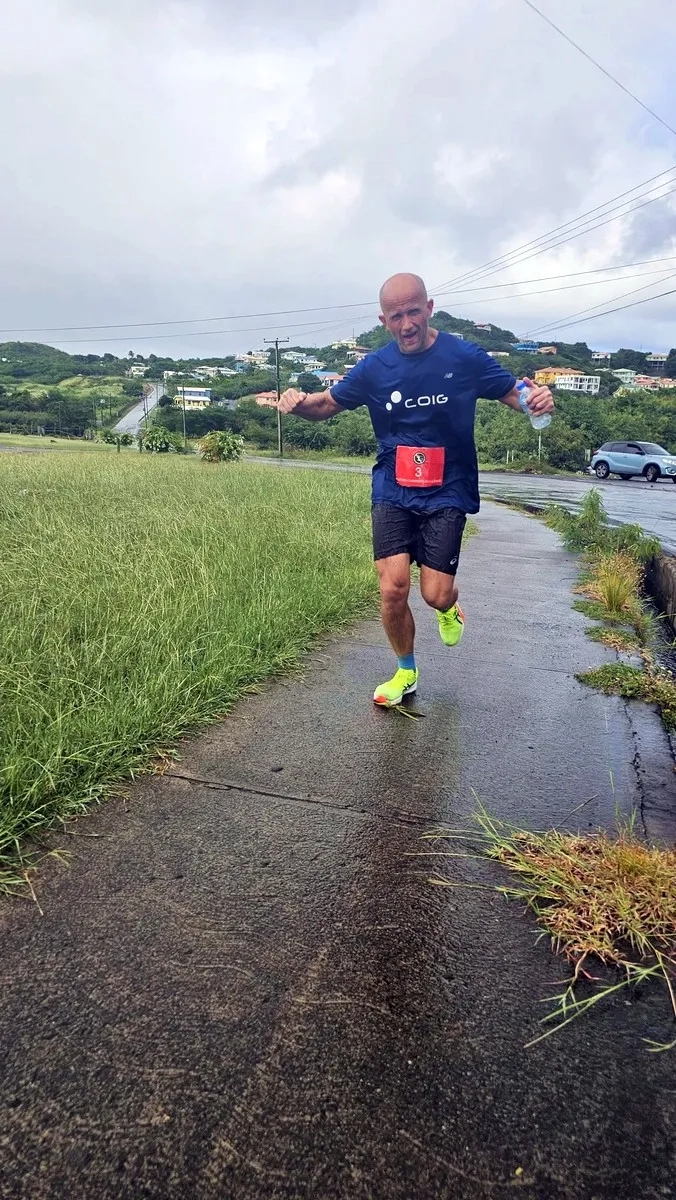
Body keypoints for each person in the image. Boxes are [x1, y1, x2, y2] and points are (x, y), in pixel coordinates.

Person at [276, 273, 555, 707]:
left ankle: (449, 608)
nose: (406, 323)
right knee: (392, 587)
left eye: (413, 312)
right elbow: (325, 406)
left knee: (434, 593)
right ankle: (406, 672)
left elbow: (513, 393)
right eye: (396, 316)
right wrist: (295, 404)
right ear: (383, 320)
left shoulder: (463, 356)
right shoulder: (375, 367)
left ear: (429, 308)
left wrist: (536, 400)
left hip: (448, 486)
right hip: (392, 484)